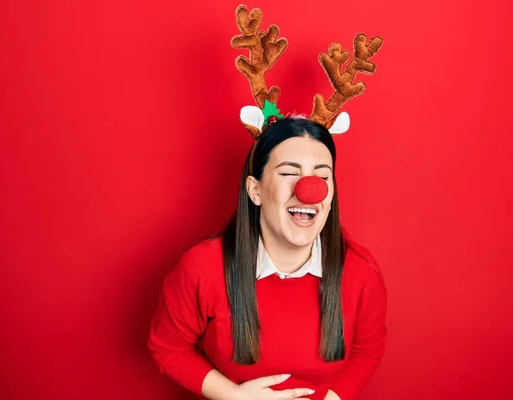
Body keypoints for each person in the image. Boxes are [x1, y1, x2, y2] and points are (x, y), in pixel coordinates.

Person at [148, 6, 387, 400]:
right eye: (290, 171)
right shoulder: (201, 269)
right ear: (255, 190)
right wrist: (233, 395)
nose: (309, 188)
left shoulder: (361, 273)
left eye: (322, 175)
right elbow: (167, 346)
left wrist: (333, 398)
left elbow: (367, 350)